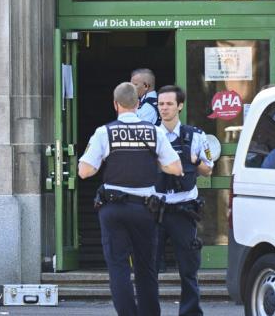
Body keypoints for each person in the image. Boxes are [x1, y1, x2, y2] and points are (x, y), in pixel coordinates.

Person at [79, 82, 183, 316]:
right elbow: (176, 167)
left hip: (113, 209)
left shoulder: (104, 132)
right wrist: (153, 162)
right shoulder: (154, 131)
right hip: (145, 210)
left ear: (115, 104)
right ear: (137, 104)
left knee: (118, 268)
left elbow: (85, 171)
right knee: (146, 269)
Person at [155, 85, 213, 316]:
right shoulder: (149, 134)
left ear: (180, 105)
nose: (164, 108)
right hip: (155, 209)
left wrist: (195, 160)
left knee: (188, 268)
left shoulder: (196, 135)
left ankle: (190, 312)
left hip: (183, 210)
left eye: (169, 104)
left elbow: (208, 170)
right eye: (161, 104)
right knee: (148, 267)